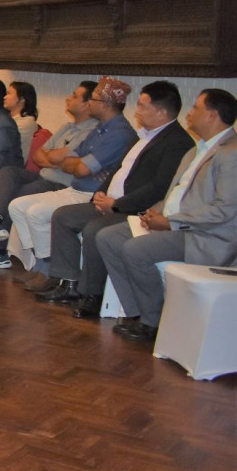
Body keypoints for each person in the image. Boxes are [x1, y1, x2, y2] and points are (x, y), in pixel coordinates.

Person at [39, 81, 195, 316]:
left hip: (134, 209)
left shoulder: (177, 142)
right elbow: (118, 171)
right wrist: (100, 194)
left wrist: (117, 204)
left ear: (161, 112)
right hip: (110, 201)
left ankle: (92, 294)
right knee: (63, 216)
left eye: (142, 106)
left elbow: (159, 187)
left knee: (94, 229)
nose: (137, 111)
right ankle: (68, 281)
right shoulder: (143, 136)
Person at [98, 89, 237, 343]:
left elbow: (224, 210)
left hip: (204, 236)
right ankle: (138, 311)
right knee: (108, 238)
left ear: (212, 114)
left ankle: (153, 322)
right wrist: (155, 212)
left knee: (135, 250)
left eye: (196, 107)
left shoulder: (231, 152)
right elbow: (176, 192)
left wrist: (171, 222)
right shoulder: (196, 149)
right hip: (176, 224)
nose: (189, 113)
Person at [5, 77, 139, 288]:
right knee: (17, 206)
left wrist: (74, 164)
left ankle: (47, 270)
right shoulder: (100, 128)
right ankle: (41, 263)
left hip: (92, 195)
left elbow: (82, 168)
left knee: (36, 212)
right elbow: (72, 161)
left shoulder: (119, 133)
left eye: (94, 99)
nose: (90, 103)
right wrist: (74, 164)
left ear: (105, 104)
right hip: (76, 187)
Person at [0, 81, 100, 270]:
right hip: (42, 175)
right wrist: (57, 159)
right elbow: (39, 155)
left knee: (19, 193)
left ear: (87, 104)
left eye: (74, 96)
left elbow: (65, 157)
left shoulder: (91, 131)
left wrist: (54, 157)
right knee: (7, 172)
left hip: (61, 184)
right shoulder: (67, 127)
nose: (68, 99)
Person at [6, 80, 40, 161]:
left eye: (9, 93)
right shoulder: (7, 117)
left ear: (22, 99)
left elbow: (2, 143)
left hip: (11, 165)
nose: (5, 97)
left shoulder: (27, 123)